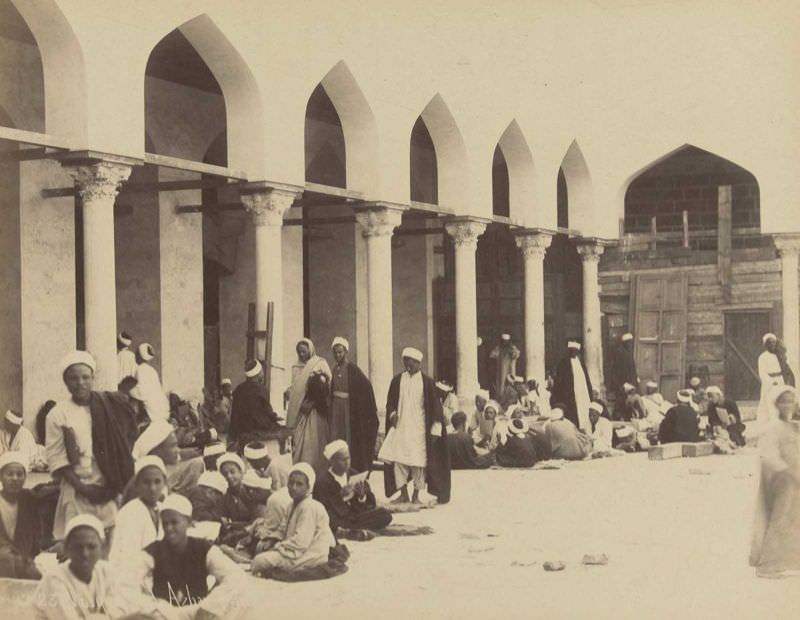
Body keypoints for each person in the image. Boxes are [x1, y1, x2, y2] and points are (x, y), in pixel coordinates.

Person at [46, 351, 135, 541]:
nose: (80, 383)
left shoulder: (110, 405)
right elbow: (58, 460)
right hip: (77, 491)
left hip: (110, 487)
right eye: (73, 378)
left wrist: (108, 488)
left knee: (112, 545)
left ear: (93, 378)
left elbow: (125, 442)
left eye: (85, 377)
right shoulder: (58, 414)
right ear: (65, 381)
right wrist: (85, 490)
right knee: (80, 546)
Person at [126, 493, 248, 617]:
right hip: (163, 614)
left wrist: (210, 606)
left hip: (197, 614)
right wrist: (150, 608)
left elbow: (235, 576)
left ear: (188, 522)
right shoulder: (154, 550)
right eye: (165, 523)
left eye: (174, 522)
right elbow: (127, 579)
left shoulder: (203, 548)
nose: (169, 528)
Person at [33, 514, 156, 619]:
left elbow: (116, 611)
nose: (85, 554)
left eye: (91, 547)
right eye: (78, 547)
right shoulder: (55, 580)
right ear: (66, 549)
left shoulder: (106, 572)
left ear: (102, 548)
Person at [380, 347, 451, 505]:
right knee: (398, 460)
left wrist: (435, 431)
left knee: (419, 463)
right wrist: (392, 415)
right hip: (401, 428)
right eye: (405, 360)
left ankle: (416, 495)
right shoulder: (397, 380)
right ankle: (403, 494)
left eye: (411, 361)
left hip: (419, 429)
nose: (407, 364)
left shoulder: (427, 382)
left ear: (419, 363)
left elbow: (436, 409)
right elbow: (390, 402)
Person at [251, 463, 339, 579]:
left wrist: (277, 547)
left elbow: (300, 543)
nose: (293, 487)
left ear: (308, 487)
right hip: (292, 550)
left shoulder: (309, 507)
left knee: (259, 561)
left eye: (299, 484)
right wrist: (271, 540)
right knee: (261, 548)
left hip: (310, 554)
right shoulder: (291, 505)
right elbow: (282, 529)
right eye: (291, 483)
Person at [749, 385, 800, 578]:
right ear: (776, 404)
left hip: (794, 478)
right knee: (778, 519)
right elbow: (769, 455)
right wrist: (787, 472)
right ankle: (766, 565)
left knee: (792, 520)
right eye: (783, 401)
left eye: (791, 401)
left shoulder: (793, 426)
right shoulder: (773, 427)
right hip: (781, 480)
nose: (788, 405)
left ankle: (782, 560)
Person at [313, 440, 392, 537]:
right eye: (343, 460)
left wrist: (362, 497)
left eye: (348, 458)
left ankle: (349, 529)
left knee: (385, 514)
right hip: (337, 518)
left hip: (355, 517)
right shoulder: (323, 481)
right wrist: (340, 496)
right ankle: (351, 529)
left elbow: (370, 504)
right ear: (332, 461)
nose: (347, 463)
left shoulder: (353, 474)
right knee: (329, 521)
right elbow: (322, 508)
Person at [123, 419, 204, 503]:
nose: (178, 450)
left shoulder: (158, 465)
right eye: (173, 446)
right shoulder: (149, 475)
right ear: (156, 450)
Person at [329, 337, 379, 473]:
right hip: (336, 409)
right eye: (335, 352)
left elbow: (366, 386)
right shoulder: (335, 369)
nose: (338, 355)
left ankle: (348, 468)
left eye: (340, 352)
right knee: (336, 436)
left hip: (347, 409)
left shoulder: (352, 369)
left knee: (348, 437)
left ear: (346, 352)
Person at [110, 455, 166, 565]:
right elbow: (127, 558)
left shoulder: (163, 508)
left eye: (157, 481)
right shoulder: (130, 513)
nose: (152, 488)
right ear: (136, 484)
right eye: (146, 482)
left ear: (164, 483)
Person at [0, 452, 43, 579]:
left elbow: (35, 533)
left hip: (23, 558)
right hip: (4, 557)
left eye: (19, 474)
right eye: (10, 474)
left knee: (36, 576)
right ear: (1, 477)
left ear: (25, 477)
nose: (15, 478)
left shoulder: (29, 499)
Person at [229, 360, 280, 447]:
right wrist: (274, 417)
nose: (263, 374)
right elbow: (267, 412)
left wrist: (232, 436)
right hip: (257, 428)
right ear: (258, 374)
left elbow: (234, 414)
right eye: (262, 372)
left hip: (241, 430)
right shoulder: (261, 389)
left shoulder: (239, 388)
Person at [286, 338, 332, 429]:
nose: (301, 354)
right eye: (299, 352)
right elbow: (295, 386)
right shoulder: (296, 367)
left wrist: (313, 401)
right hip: (300, 406)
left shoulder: (320, 363)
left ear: (310, 350)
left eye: (304, 351)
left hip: (316, 407)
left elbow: (329, 382)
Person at [292, 370, 332, 473]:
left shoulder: (317, 408)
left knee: (315, 445)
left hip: (316, 417)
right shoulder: (310, 405)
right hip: (313, 417)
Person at [550, 341, 593, 433]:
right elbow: (559, 381)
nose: (574, 353)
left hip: (582, 394)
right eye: (572, 351)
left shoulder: (581, 362)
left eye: (576, 351)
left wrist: (590, 393)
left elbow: (586, 379)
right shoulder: (563, 363)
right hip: (568, 396)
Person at [134, 343, 169, 422]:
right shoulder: (152, 370)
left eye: (136, 353)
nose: (135, 356)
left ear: (140, 355)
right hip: (160, 405)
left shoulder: (140, 369)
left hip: (151, 408)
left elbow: (141, 392)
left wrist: (129, 391)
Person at [758, 334, 786, 425]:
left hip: (779, 381)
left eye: (774, 343)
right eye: (770, 343)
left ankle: (778, 421)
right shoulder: (763, 357)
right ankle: (766, 422)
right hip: (769, 383)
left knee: (779, 401)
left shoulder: (778, 356)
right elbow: (762, 373)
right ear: (766, 345)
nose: (773, 345)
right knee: (767, 402)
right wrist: (771, 382)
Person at [608, 332, 639, 410]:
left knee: (629, 400)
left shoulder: (628, 352)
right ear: (625, 342)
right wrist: (620, 384)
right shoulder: (619, 352)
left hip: (629, 381)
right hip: (622, 382)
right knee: (621, 400)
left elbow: (632, 368)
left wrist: (634, 380)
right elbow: (616, 369)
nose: (630, 344)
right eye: (629, 342)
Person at [489, 333, 520, 399]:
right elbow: (492, 355)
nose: (505, 343)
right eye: (504, 341)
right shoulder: (499, 348)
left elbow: (516, 354)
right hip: (502, 371)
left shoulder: (512, 348)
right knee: (502, 385)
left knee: (509, 384)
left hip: (509, 371)